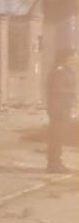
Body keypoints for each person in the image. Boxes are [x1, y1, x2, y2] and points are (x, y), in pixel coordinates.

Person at [47, 42, 76, 173]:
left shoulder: (68, 69)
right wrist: (73, 93)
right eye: (73, 56)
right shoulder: (59, 70)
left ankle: (57, 162)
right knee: (56, 136)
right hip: (58, 107)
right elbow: (57, 89)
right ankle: (53, 164)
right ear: (66, 57)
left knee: (60, 136)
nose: (76, 58)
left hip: (65, 107)